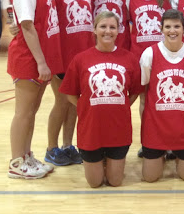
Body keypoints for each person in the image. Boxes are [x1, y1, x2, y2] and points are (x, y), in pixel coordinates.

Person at [60, 11, 142, 187]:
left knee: (115, 182)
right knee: (95, 183)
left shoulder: (129, 59)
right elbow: (70, 93)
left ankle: (109, 161)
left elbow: (135, 91)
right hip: (91, 131)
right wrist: (84, 106)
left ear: (118, 31)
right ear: (95, 29)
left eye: (112, 27)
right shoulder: (80, 59)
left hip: (118, 130)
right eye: (103, 26)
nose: (108, 31)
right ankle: (100, 160)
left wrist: (121, 104)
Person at [7, 0, 63, 179]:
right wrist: (40, 62)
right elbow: (27, 26)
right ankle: (16, 163)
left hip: (40, 56)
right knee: (23, 112)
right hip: (28, 57)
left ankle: (27, 155)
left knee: (32, 111)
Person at [43, 0, 94, 167]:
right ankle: (51, 148)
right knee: (62, 102)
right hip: (62, 55)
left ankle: (67, 145)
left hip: (83, 55)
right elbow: (41, 16)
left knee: (75, 103)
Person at [139, 9, 184, 182]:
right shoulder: (149, 54)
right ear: (161, 29)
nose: (172, 31)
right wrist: (145, 130)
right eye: (167, 27)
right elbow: (144, 96)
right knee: (150, 178)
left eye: (176, 26)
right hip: (156, 128)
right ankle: (160, 156)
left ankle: (179, 156)